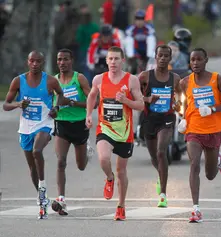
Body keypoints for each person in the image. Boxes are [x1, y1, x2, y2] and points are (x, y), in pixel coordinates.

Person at [2, 51, 69, 219]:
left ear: (43, 62)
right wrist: (18, 104)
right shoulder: (18, 81)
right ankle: (42, 196)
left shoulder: (51, 81)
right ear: (28, 62)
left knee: (37, 151)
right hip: (25, 127)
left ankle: (42, 189)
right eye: (32, 61)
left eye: (38, 61)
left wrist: (56, 108)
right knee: (32, 166)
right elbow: (6, 105)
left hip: (44, 124)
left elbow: (60, 94)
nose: (35, 64)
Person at [85, 46, 144, 221]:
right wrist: (88, 114)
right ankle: (109, 178)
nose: (113, 62)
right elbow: (92, 96)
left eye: (116, 59)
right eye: (110, 59)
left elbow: (141, 105)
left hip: (124, 133)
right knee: (103, 158)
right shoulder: (99, 79)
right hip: (105, 128)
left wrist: (125, 100)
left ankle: (121, 206)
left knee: (122, 171)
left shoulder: (131, 80)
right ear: (106, 61)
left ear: (122, 60)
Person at [178, 48, 221, 223]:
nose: (195, 63)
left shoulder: (217, 79)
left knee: (210, 174)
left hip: (214, 129)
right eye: (192, 60)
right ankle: (195, 209)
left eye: (199, 60)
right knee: (194, 164)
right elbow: (182, 103)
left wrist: (212, 109)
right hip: (193, 130)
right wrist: (182, 118)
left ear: (206, 60)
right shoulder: (185, 82)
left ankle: (217, 159)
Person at [51, 49, 95, 215]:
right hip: (61, 125)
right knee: (61, 161)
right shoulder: (54, 80)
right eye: (59, 59)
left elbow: (94, 102)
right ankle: (61, 199)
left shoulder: (80, 78)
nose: (62, 62)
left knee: (81, 166)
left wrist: (73, 103)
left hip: (79, 125)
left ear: (72, 61)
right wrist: (54, 110)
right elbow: (53, 104)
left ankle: (86, 150)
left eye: (65, 59)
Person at [138, 45, 182, 208]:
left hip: (167, 119)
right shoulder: (145, 76)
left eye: (166, 56)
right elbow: (135, 94)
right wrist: (148, 99)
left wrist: (178, 104)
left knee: (161, 152)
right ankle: (160, 175)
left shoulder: (175, 78)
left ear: (170, 59)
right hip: (149, 120)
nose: (163, 58)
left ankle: (163, 194)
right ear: (155, 57)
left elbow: (179, 96)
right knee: (154, 157)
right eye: (160, 55)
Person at [124, 9, 156, 74]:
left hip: (146, 51)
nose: (139, 21)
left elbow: (152, 37)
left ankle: (150, 57)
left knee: (151, 38)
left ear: (144, 20)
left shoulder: (149, 28)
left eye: (141, 19)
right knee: (128, 38)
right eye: (138, 19)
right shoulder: (131, 28)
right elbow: (127, 40)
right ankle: (131, 58)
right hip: (135, 52)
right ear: (135, 20)